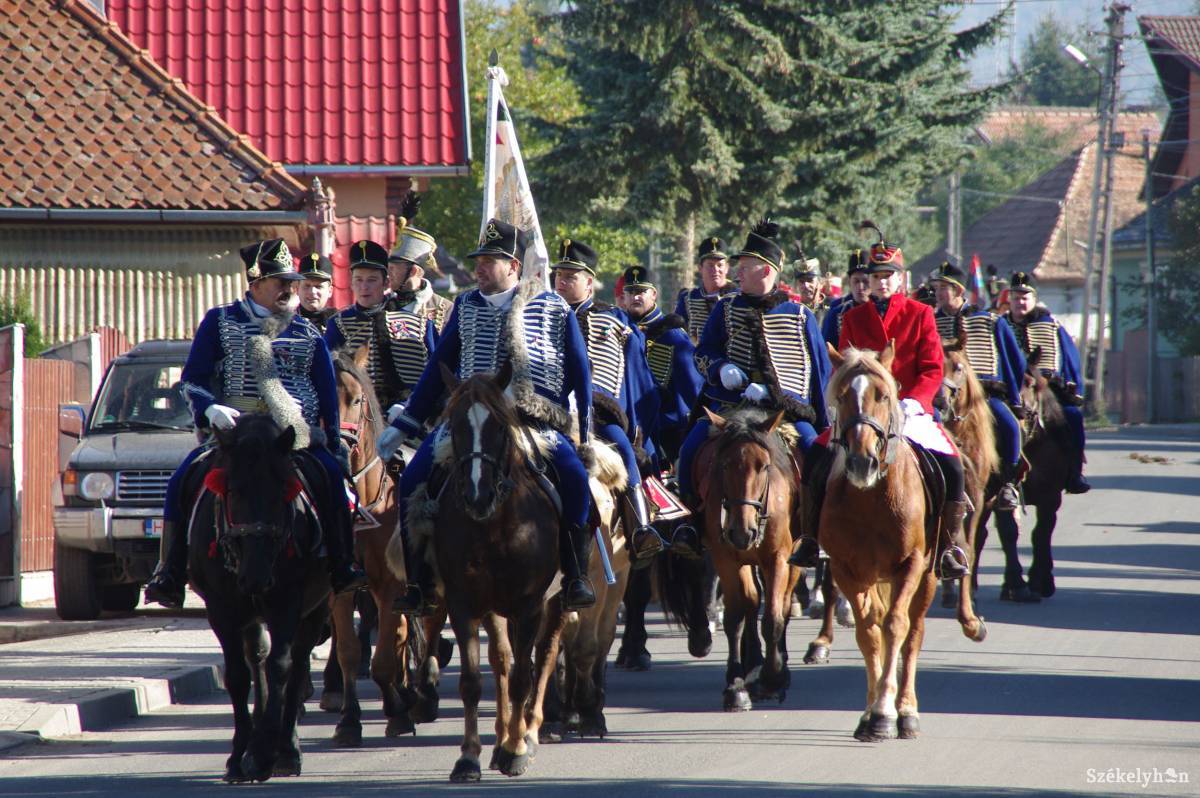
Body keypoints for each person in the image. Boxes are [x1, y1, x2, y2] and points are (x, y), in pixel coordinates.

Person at [376, 219, 599, 612]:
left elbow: (580, 371)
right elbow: (437, 368)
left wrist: (585, 432)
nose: (478, 268)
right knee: (412, 479)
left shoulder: (551, 306)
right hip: (470, 417)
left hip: (531, 420)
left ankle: (576, 575)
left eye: (489, 261)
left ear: (513, 265)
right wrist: (406, 423)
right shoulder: (464, 305)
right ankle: (419, 584)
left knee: (576, 479)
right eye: (478, 261)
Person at [144, 239, 366, 608]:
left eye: (291, 282)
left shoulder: (308, 333)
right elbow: (193, 379)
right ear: (255, 282)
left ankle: (342, 564)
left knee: (331, 478)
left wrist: (326, 437)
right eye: (280, 281)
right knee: (182, 479)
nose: (289, 289)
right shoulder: (220, 322)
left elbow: (327, 394)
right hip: (237, 435)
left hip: (292, 435)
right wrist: (210, 409)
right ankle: (170, 570)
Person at [791, 223, 970, 579]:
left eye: (889, 275)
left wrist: (914, 401)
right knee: (814, 457)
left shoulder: (920, 314)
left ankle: (949, 546)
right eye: (876, 276)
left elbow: (933, 367)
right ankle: (810, 538)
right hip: (863, 410)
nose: (882, 282)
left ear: (900, 279)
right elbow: (843, 366)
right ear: (868, 281)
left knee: (952, 465)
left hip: (911, 409)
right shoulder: (854, 317)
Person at [673, 219, 832, 557]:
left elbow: (819, 371)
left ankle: (813, 532)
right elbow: (703, 354)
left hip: (784, 409)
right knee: (689, 450)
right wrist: (721, 368)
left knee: (816, 454)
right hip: (730, 405)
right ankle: (688, 524)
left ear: (765, 271)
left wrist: (821, 423)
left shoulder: (800, 315)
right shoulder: (725, 308)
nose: (736, 274)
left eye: (743, 268)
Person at [553, 241, 665, 561]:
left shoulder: (615, 320)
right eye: (559, 274)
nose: (561, 281)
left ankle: (639, 527)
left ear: (589, 282)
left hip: (602, 416)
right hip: (556, 414)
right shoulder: (546, 315)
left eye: (570, 276)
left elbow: (637, 378)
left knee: (625, 454)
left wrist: (635, 427)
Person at [931, 261, 1027, 510]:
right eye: (937, 287)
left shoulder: (990, 321)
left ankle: (1008, 484)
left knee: (1009, 427)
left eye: (945, 287)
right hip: (942, 398)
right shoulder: (929, 321)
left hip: (984, 396)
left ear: (959, 290)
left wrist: (1013, 398)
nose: (940, 292)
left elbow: (1015, 362)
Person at [324, 238, 437, 412]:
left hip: (409, 413)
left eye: (371, 280)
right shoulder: (338, 324)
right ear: (351, 283)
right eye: (359, 280)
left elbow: (435, 373)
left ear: (385, 283)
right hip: (358, 416)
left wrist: (408, 406)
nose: (364, 287)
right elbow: (329, 376)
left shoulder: (418, 323)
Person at [1005, 271, 1090, 493]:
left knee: (1072, 417)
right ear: (1009, 299)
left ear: (1033, 299)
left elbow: (1070, 360)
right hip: (1010, 390)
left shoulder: (1051, 325)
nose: (1020, 302)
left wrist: (1071, 388)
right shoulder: (1001, 325)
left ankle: (1074, 472)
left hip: (1048, 389)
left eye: (1025, 297)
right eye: (1016, 297)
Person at [622, 264, 703, 465]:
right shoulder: (621, 331)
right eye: (630, 292)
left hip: (668, 432)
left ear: (654, 294)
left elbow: (694, 387)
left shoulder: (672, 335)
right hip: (631, 426)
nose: (635, 297)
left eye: (641, 291)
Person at [385, 192, 454, 334]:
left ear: (414, 271)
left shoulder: (446, 310)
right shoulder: (381, 306)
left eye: (393, 268)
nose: (388, 272)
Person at [675, 236, 737, 342]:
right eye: (710, 265)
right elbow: (677, 334)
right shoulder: (688, 298)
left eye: (720, 265)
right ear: (700, 268)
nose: (715, 270)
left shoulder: (737, 296)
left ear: (727, 268)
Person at [822, 248, 871, 347]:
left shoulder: (880, 309)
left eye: (865, 281)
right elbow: (827, 346)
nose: (860, 287)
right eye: (856, 281)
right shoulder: (838, 311)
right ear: (849, 281)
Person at [297, 252, 338, 327]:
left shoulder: (340, 323)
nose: (312, 292)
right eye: (307, 286)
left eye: (318, 286)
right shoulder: (284, 324)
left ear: (330, 291)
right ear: (297, 289)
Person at [791, 253, 831, 325]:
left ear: (820, 282)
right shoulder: (792, 311)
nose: (806, 285)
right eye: (801, 281)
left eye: (810, 280)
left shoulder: (831, 308)